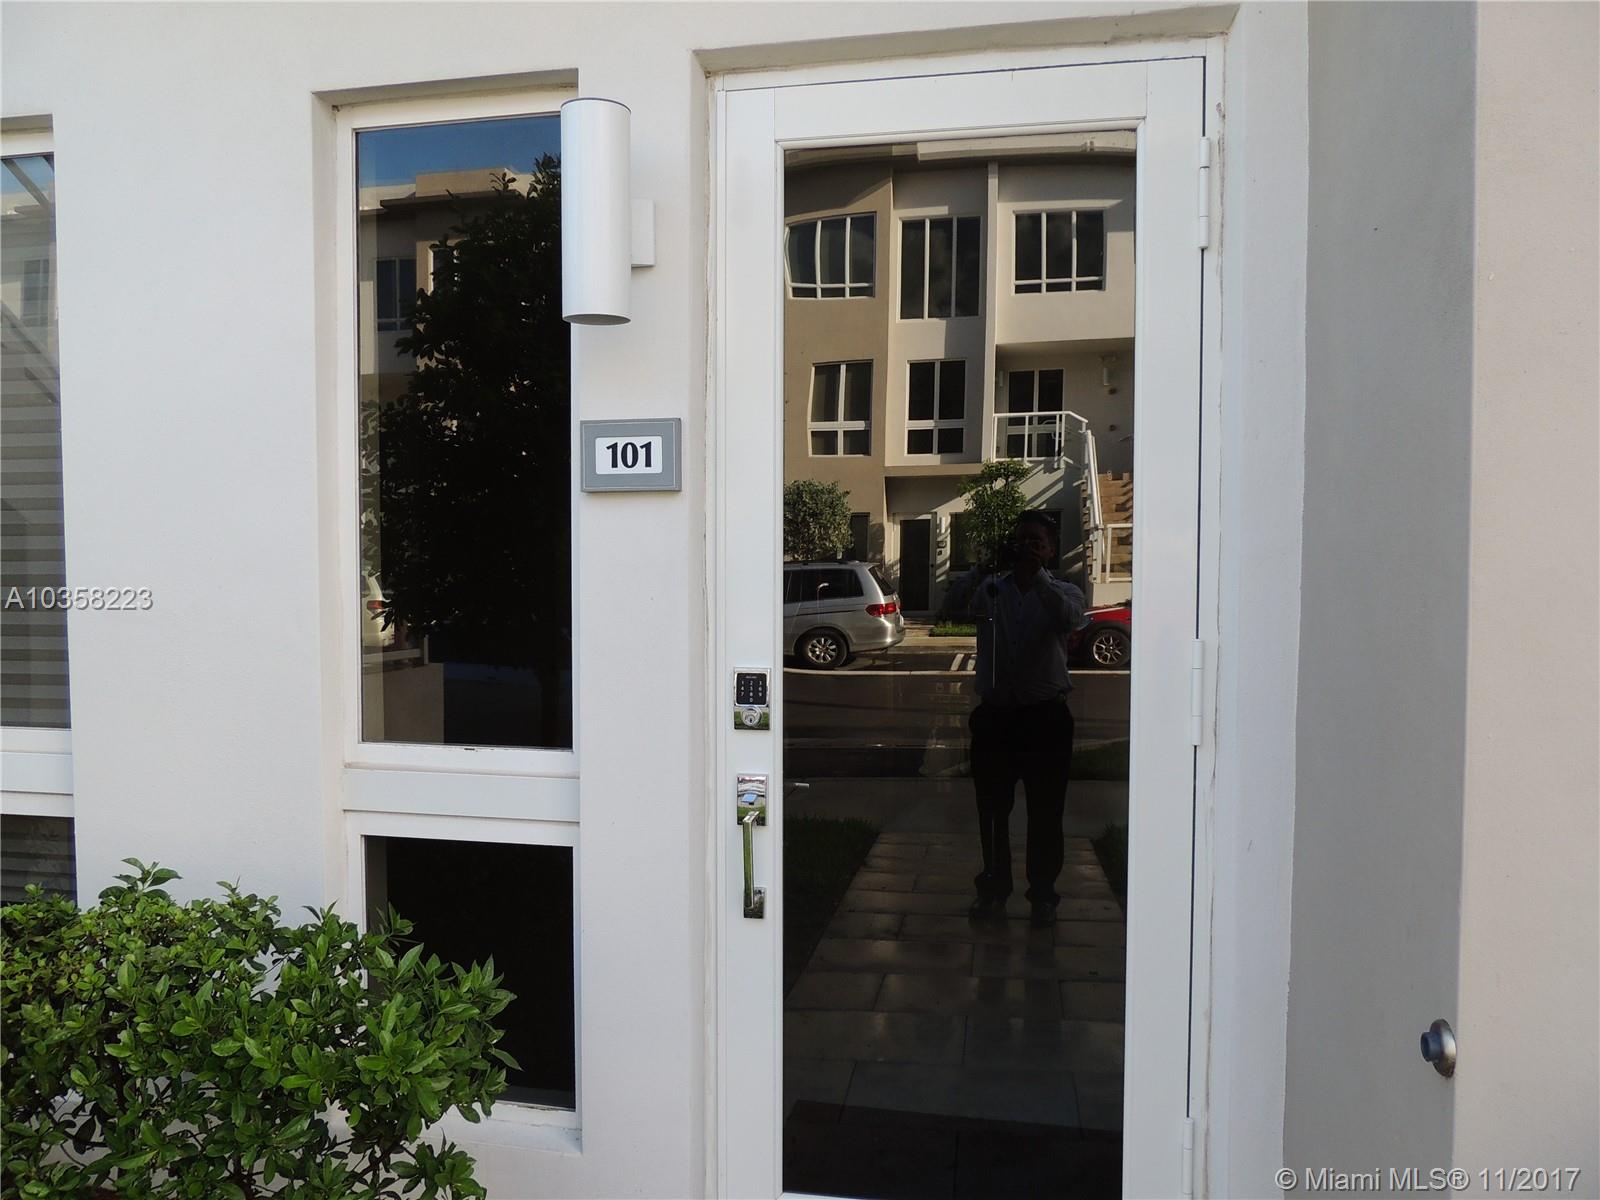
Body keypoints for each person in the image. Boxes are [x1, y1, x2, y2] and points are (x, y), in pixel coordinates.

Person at [965, 511, 1089, 927]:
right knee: (991, 812)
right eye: (1022, 540)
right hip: (996, 719)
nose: (1028, 547)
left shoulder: (1065, 591)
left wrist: (1036, 579)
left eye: (1037, 542)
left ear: (1051, 550)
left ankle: (1043, 895)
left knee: (1046, 813)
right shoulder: (991, 589)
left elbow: (1069, 621)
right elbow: (964, 607)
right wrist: (986, 565)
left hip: (1045, 720)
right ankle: (993, 889)